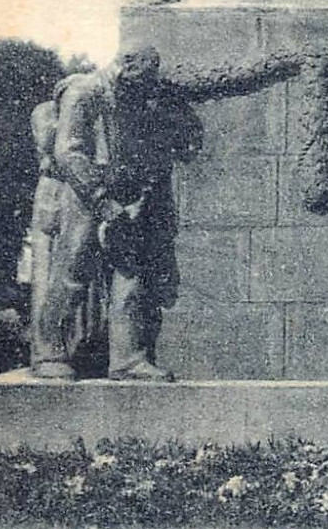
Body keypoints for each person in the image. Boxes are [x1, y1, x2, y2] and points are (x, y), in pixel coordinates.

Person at [30, 45, 202, 381]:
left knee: (129, 272)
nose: (143, 90)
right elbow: (69, 153)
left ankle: (127, 360)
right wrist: (101, 200)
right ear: (123, 67)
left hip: (123, 194)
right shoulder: (84, 93)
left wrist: (135, 195)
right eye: (139, 81)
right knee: (73, 269)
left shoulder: (133, 93)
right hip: (83, 192)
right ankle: (48, 351)